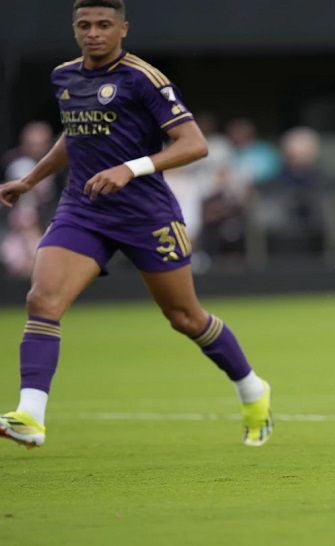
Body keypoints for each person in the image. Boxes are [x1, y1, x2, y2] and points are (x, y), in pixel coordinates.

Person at [0, 0, 272, 448]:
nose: (93, 33)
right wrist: (30, 180)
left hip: (146, 214)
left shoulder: (143, 78)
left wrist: (132, 167)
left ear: (122, 29)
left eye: (103, 25)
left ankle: (252, 389)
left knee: (184, 317)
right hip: (83, 209)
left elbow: (194, 144)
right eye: (84, 25)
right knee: (42, 301)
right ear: (74, 29)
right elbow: (75, 132)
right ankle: (30, 415)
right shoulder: (64, 76)